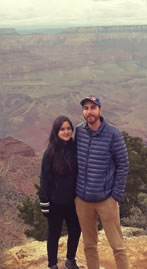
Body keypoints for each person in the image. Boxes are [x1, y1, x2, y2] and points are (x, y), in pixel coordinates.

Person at [74, 96, 129, 269]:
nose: (89, 111)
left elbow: (123, 164)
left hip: (106, 200)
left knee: (117, 246)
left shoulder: (113, 133)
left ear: (100, 110)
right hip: (82, 200)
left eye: (92, 108)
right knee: (89, 246)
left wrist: (115, 196)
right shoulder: (79, 131)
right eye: (86, 108)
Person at [39, 115, 81, 269]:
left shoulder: (75, 149)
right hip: (55, 202)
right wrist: (44, 203)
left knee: (75, 231)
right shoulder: (49, 153)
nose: (66, 131)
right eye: (62, 129)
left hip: (73, 202)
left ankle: (70, 260)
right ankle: (52, 265)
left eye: (69, 128)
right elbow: (44, 179)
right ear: (56, 131)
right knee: (54, 235)